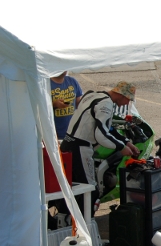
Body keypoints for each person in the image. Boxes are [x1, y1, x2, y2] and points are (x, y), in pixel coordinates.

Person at [60, 81, 140, 215]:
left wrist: (126, 142)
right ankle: (85, 227)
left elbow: (107, 128)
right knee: (91, 191)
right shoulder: (106, 104)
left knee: (71, 187)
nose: (127, 104)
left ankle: (65, 221)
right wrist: (121, 147)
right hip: (80, 147)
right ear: (122, 95)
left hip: (68, 143)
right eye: (128, 100)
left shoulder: (93, 95)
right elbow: (101, 134)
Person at [50, 72, 83, 140]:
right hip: (54, 133)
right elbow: (40, 108)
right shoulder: (46, 84)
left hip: (72, 132)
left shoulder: (72, 81)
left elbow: (79, 104)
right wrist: (54, 104)